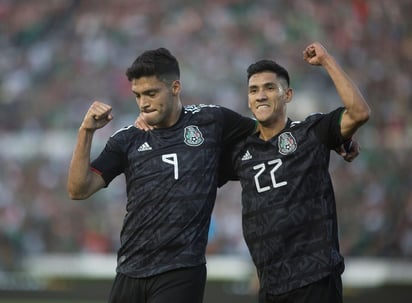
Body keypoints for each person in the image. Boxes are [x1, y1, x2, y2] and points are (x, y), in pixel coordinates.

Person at [67, 47, 257, 303]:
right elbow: (78, 190)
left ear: (175, 87)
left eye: (151, 93)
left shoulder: (212, 120)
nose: (143, 102)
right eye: (138, 95)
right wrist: (85, 132)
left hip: (181, 269)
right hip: (130, 269)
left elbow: (263, 131)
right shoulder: (127, 139)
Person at [224, 42, 371, 303]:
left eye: (270, 88)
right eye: (254, 90)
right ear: (248, 99)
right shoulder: (240, 150)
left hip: (315, 280)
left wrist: (327, 60)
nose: (260, 96)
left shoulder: (310, 132)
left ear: (287, 95)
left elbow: (359, 113)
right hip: (269, 285)